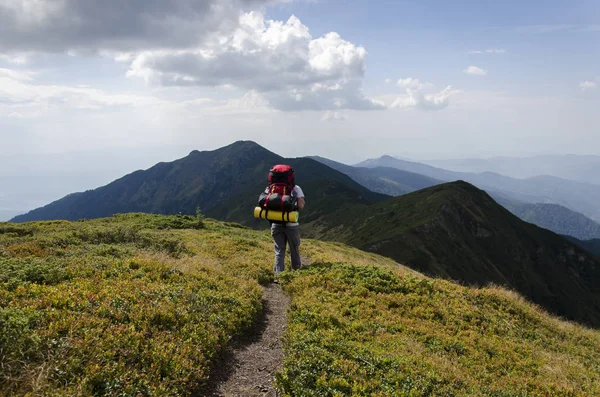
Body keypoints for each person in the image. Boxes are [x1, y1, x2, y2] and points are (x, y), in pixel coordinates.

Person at [264, 165, 305, 277]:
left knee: (279, 250)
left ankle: (278, 276)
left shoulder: (269, 188)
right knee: (294, 249)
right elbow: (301, 205)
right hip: (291, 223)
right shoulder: (295, 188)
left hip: (275, 222)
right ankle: (296, 272)